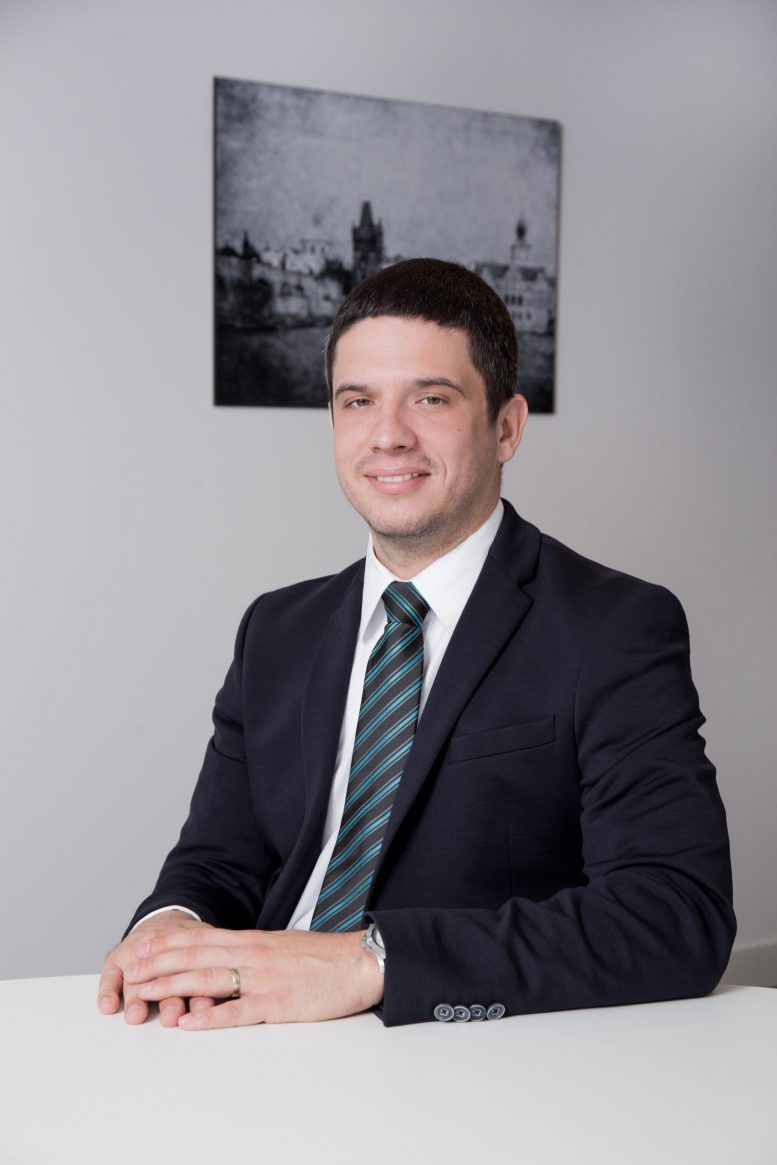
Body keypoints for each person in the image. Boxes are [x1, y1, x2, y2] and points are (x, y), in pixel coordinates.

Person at [97, 259, 735, 1030]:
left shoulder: (612, 625)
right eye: (357, 400)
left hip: (445, 1050)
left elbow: (673, 914)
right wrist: (168, 925)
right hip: (250, 1033)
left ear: (505, 427)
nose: (388, 434)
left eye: (430, 398)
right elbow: (216, 862)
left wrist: (371, 961)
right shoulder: (275, 629)